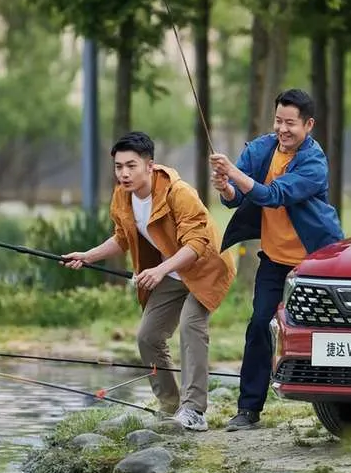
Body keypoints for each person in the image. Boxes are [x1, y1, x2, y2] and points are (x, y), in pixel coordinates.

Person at [64, 131, 237, 431]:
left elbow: (197, 244)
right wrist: (88, 255)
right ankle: (169, 405)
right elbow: (122, 238)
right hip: (171, 271)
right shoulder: (122, 196)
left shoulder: (178, 193)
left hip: (205, 269)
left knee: (191, 326)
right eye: (119, 166)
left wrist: (159, 271)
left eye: (131, 166)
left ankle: (194, 410)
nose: (124, 173)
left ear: (150, 165)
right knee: (148, 336)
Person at [210, 88, 345, 431]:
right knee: (259, 325)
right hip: (274, 259)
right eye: (278, 121)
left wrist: (234, 174)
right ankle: (248, 409)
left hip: (315, 261)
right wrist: (226, 186)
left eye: (291, 123)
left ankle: (343, 402)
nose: (283, 129)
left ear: (308, 125)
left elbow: (274, 195)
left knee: (326, 329)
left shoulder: (314, 162)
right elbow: (235, 198)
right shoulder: (261, 149)